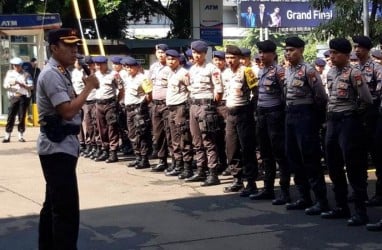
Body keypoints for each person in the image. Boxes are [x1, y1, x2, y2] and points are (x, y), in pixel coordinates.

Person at [36, 28, 99, 250]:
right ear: (54, 48)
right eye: (69, 45)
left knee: (53, 204)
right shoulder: (52, 74)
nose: (75, 50)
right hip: (57, 148)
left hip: (62, 146)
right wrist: (88, 88)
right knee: (66, 210)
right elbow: (67, 111)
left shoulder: (60, 71)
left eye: (76, 45)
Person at [321, 38, 373, 226]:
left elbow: (366, 98)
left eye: (336, 53)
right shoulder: (330, 72)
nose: (332, 56)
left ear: (346, 55)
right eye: (331, 53)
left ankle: (360, 211)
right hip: (332, 122)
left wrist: (356, 113)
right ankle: (341, 206)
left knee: (353, 166)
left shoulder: (354, 72)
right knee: (333, 165)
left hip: (348, 122)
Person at [284, 37, 330, 216]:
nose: (288, 53)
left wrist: (315, 118)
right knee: (293, 157)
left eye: (292, 50)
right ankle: (304, 197)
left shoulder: (308, 70)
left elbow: (320, 96)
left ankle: (321, 200)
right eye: (286, 50)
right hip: (290, 115)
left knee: (310, 158)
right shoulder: (288, 70)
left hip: (305, 115)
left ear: (301, 50)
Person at [249, 40, 291, 205]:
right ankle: (268, 189)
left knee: (279, 153)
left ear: (273, 54)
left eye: (264, 52)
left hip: (275, 114)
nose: (261, 55)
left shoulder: (279, 71)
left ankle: (285, 191)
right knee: (265, 153)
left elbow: (285, 94)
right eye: (260, 52)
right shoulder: (261, 71)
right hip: (262, 114)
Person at [184, 40, 223, 186]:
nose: (196, 55)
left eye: (199, 53)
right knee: (196, 141)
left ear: (205, 54)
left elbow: (218, 91)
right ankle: (201, 170)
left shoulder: (212, 69)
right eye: (194, 52)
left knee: (208, 141)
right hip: (193, 105)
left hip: (206, 106)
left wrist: (212, 107)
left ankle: (213, 173)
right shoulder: (192, 69)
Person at [221, 45, 259, 197]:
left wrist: (251, 110)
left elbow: (256, 92)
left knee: (247, 148)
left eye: (232, 58)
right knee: (231, 148)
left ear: (239, 58)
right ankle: (237, 180)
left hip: (244, 113)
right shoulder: (225, 73)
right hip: (230, 114)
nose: (229, 61)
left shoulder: (247, 71)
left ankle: (251, 183)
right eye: (227, 58)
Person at [352, 36, 382, 207]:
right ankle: (359, 192)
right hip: (357, 115)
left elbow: (378, 94)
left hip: (372, 115)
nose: (357, 50)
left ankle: (379, 193)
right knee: (357, 156)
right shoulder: (353, 69)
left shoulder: (377, 68)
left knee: (378, 156)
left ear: (367, 50)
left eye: (360, 47)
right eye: (355, 47)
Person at [164, 49, 194, 179]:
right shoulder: (169, 73)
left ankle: (187, 168)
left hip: (180, 108)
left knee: (183, 138)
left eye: (173, 59)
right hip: (171, 108)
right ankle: (178, 165)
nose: (170, 61)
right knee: (174, 138)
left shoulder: (184, 73)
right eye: (168, 59)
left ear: (178, 60)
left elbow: (191, 90)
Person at [121, 56, 153, 169]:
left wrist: (142, 105)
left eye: (130, 67)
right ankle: (138, 157)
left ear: (136, 67)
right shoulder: (128, 78)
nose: (128, 69)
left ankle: (144, 159)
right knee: (132, 134)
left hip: (138, 109)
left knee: (141, 134)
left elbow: (149, 95)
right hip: (129, 110)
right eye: (126, 67)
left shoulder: (142, 78)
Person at [93, 56, 124, 163]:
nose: (99, 67)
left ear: (106, 64)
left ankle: (113, 151)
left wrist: (116, 102)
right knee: (101, 128)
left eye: (101, 64)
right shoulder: (94, 75)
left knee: (112, 128)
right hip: (98, 104)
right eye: (97, 65)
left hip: (110, 103)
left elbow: (121, 90)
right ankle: (104, 150)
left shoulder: (114, 74)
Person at [148, 44, 174, 173]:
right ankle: (162, 160)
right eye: (158, 52)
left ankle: (175, 161)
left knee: (171, 134)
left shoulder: (171, 68)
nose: (160, 55)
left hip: (167, 105)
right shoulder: (153, 67)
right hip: (155, 104)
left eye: (163, 52)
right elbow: (149, 84)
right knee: (158, 134)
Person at [2, 57, 33, 143]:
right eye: (14, 65)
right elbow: (5, 85)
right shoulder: (10, 73)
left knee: (22, 116)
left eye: (17, 66)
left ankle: (21, 135)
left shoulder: (26, 75)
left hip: (23, 97)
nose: (16, 67)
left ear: (21, 66)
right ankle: (7, 135)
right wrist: (11, 85)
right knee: (10, 116)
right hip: (13, 96)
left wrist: (21, 84)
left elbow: (31, 86)